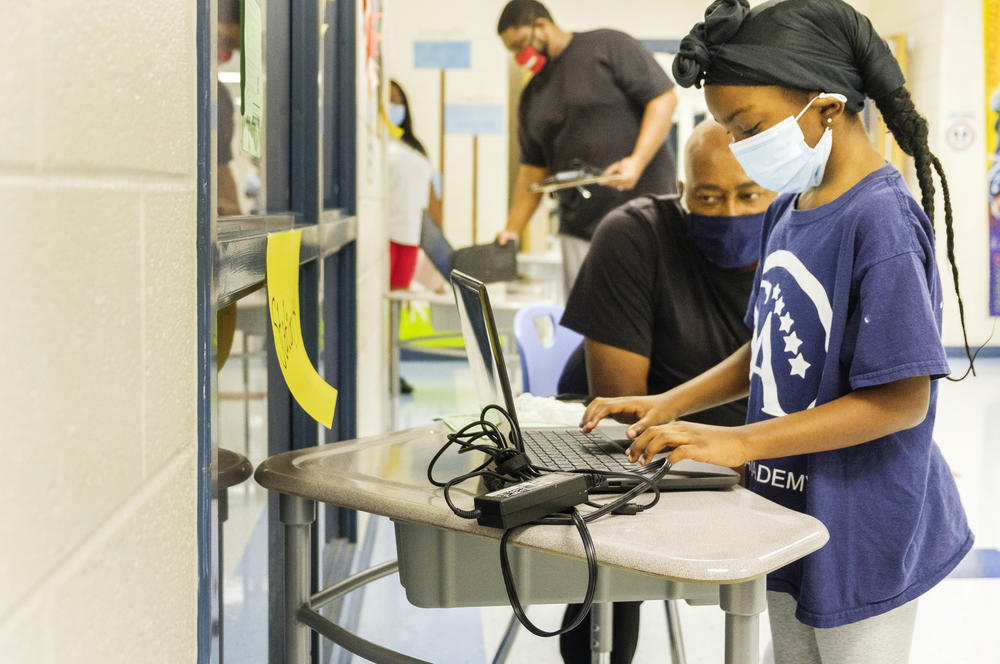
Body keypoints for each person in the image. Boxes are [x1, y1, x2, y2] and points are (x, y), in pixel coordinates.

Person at [580, 2, 974, 663]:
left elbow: (903, 400)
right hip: (791, 511)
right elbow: (769, 340)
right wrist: (671, 403)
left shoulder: (881, 222)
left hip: (863, 531)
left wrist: (741, 441)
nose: (735, 148)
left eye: (747, 126)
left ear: (825, 107)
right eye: (726, 129)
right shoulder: (790, 206)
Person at [555, 119, 776, 663]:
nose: (730, 213)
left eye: (749, 194)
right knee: (614, 552)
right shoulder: (634, 236)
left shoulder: (796, 248)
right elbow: (622, 425)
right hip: (638, 444)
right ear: (682, 193)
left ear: (777, 190)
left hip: (741, 448)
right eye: (709, 196)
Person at [495, 0, 678, 293]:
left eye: (520, 45)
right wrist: (512, 230)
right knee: (586, 331)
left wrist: (637, 161)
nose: (519, 57)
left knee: (649, 320)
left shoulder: (607, 46)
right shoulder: (532, 97)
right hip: (579, 230)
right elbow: (533, 170)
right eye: (512, 51)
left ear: (541, 26)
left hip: (644, 218)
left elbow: (663, 98)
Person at [387, 79, 443, 291]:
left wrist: (437, 245)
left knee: (399, 303)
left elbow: (432, 196)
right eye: (389, 100)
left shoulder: (416, 148)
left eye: (398, 100)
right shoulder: (379, 143)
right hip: (387, 238)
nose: (395, 105)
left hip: (411, 238)